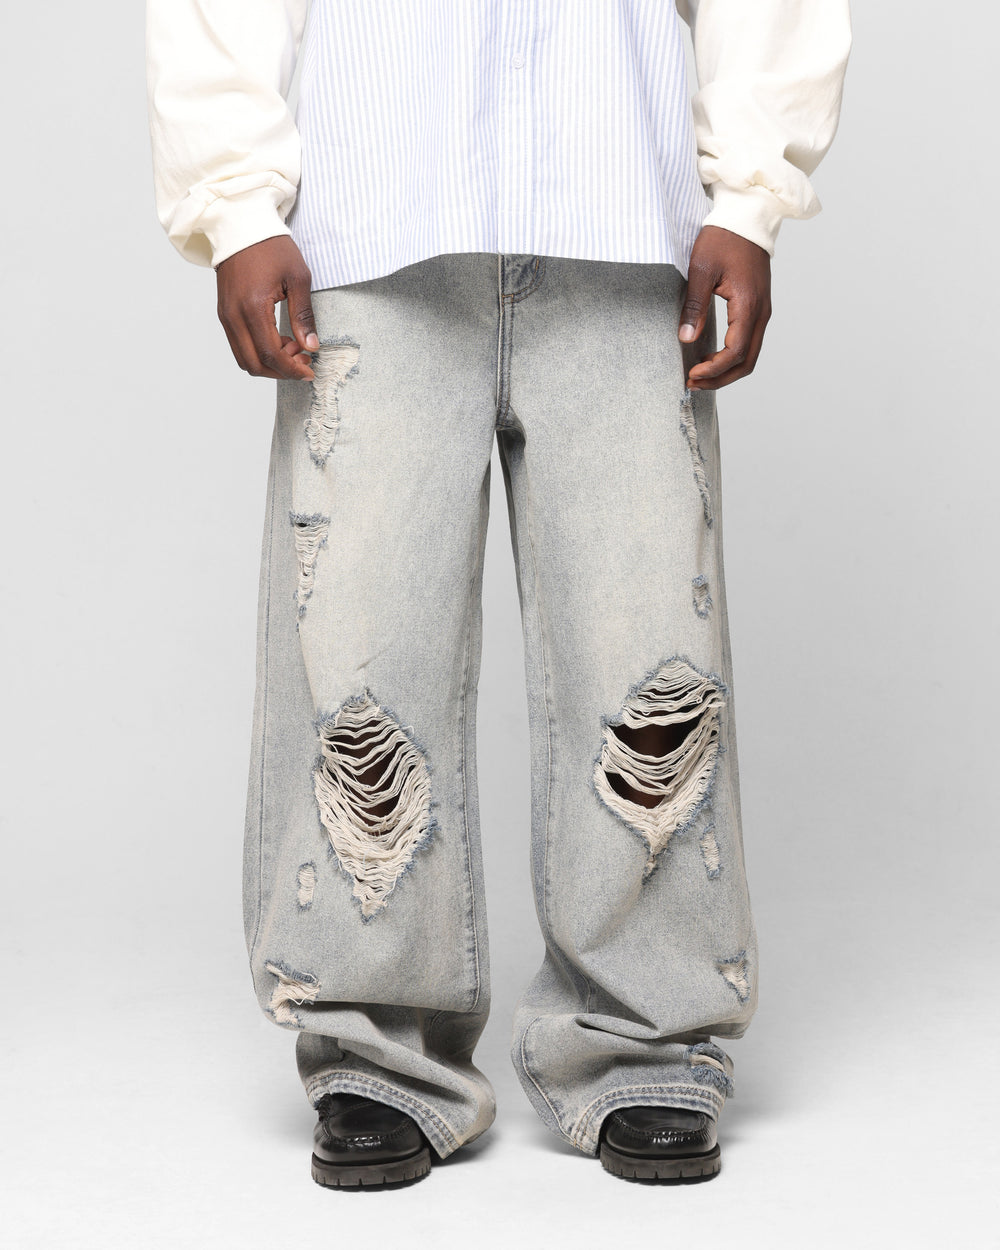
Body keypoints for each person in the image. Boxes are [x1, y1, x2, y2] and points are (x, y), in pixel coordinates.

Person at [145, 0, 851, 1189]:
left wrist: (748, 196)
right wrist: (234, 206)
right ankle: (374, 1044)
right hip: (377, 219)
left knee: (647, 649)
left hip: (620, 213)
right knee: (362, 645)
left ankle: (647, 1036)